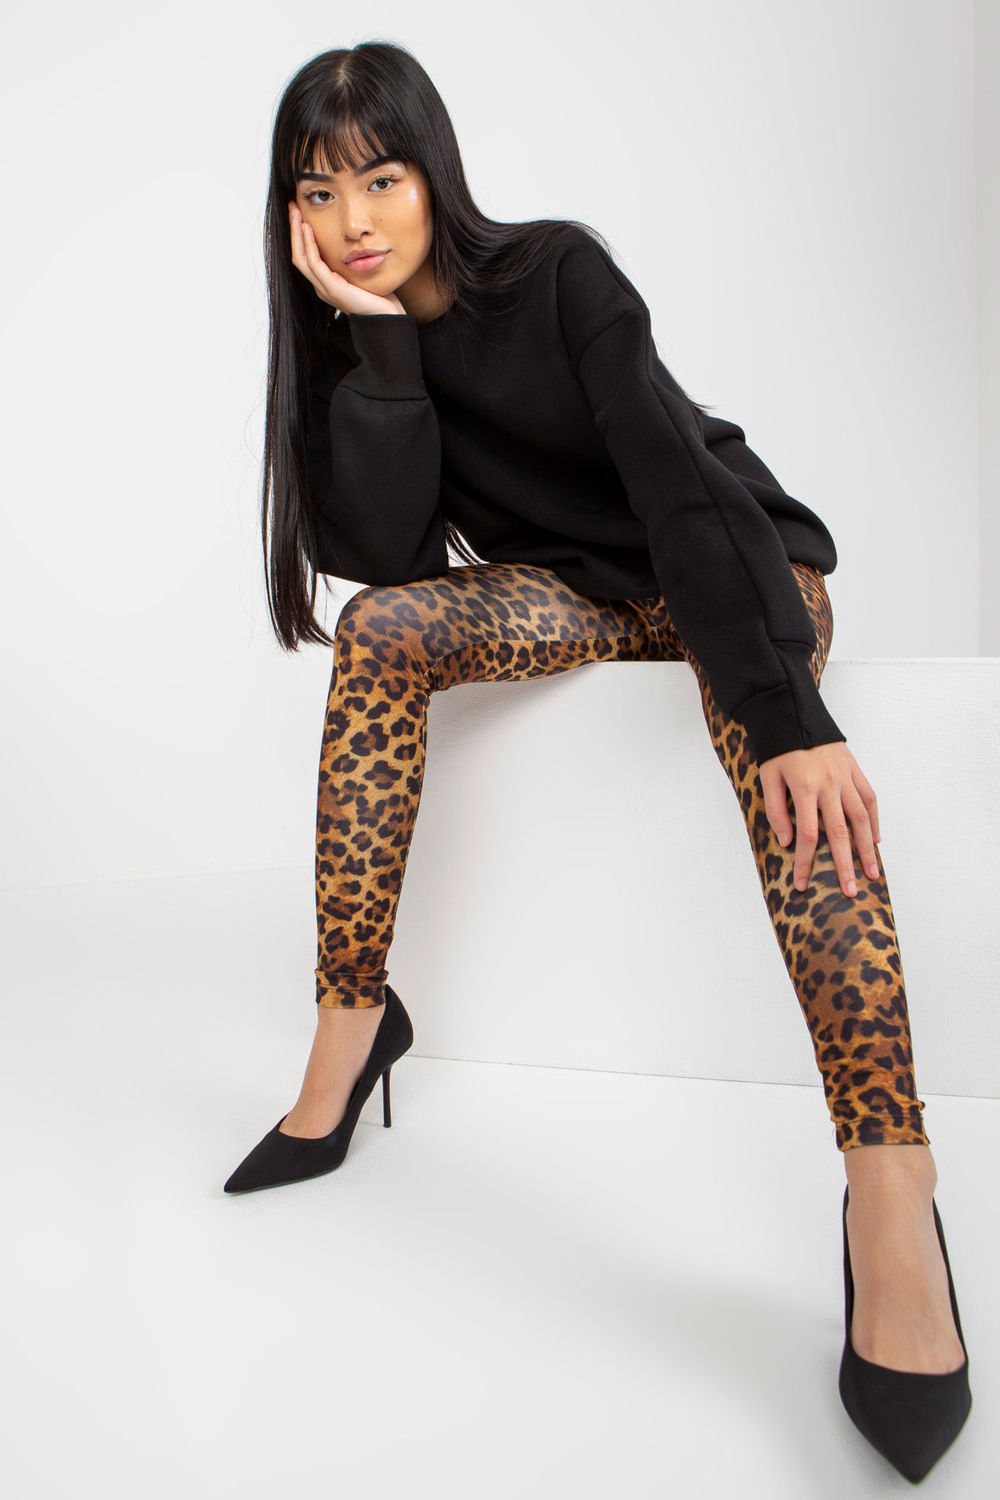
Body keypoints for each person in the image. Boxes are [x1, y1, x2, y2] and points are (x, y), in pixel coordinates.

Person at [223, 39, 972, 1481]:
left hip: (735, 567)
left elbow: (678, 482)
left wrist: (786, 711)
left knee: (784, 776)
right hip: (575, 597)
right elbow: (389, 560)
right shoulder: (348, 354)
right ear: (291, 217)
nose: (354, 218)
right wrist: (379, 347)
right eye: (317, 192)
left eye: (382, 177)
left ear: (436, 173)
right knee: (380, 631)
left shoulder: (557, 275)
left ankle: (892, 1183)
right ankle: (350, 1026)